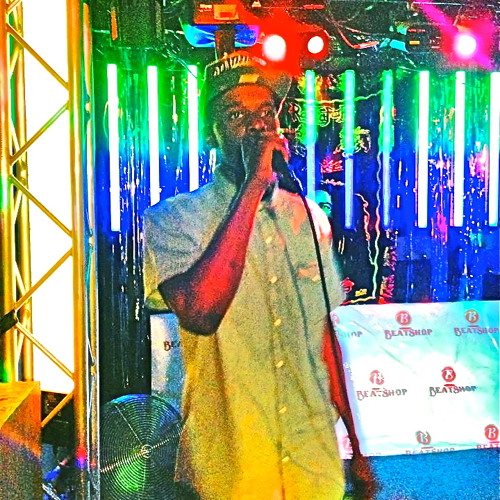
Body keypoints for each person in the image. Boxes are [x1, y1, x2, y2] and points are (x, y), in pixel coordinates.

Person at [143, 51, 375, 500]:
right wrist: (253, 184)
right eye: (237, 115)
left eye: (265, 113)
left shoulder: (308, 217)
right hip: (233, 460)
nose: (257, 126)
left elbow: (323, 337)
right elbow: (200, 312)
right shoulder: (174, 219)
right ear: (211, 133)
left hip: (311, 458)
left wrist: (356, 444)